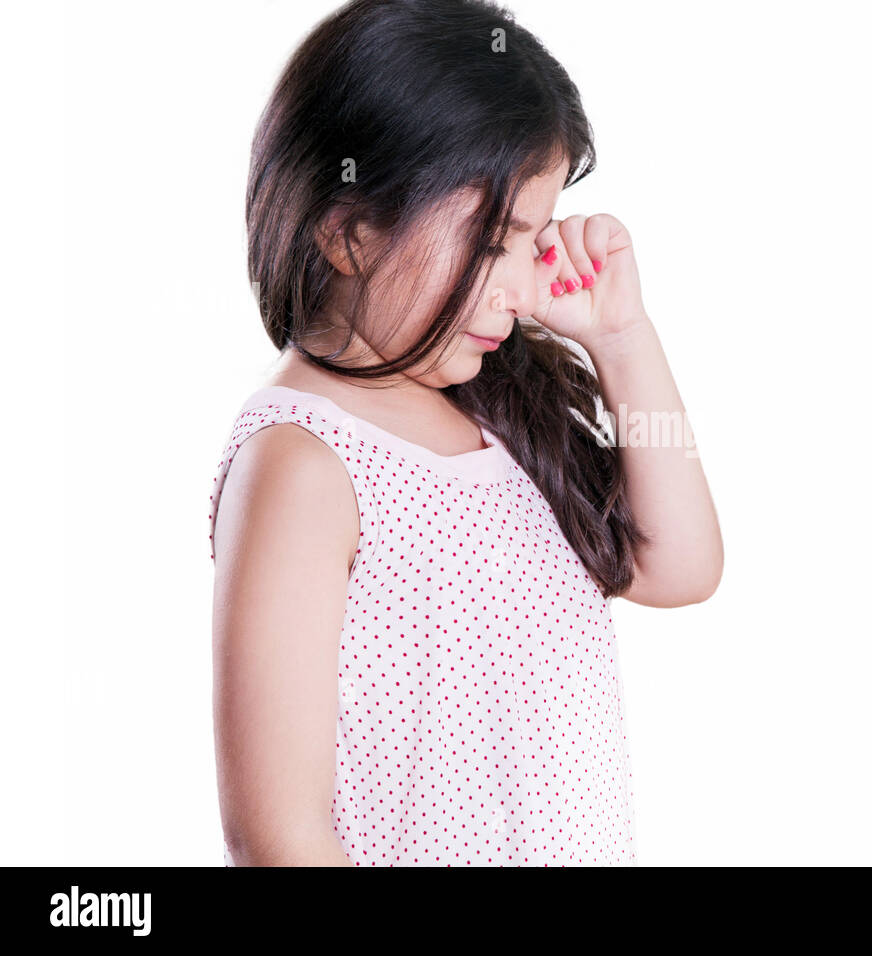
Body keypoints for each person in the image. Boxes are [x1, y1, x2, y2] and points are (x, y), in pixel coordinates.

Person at [207, 0, 723, 866]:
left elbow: (683, 566)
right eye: (495, 240)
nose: (523, 288)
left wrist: (623, 339)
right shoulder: (302, 463)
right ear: (351, 232)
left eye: (535, 236)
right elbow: (279, 835)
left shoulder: (499, 411)